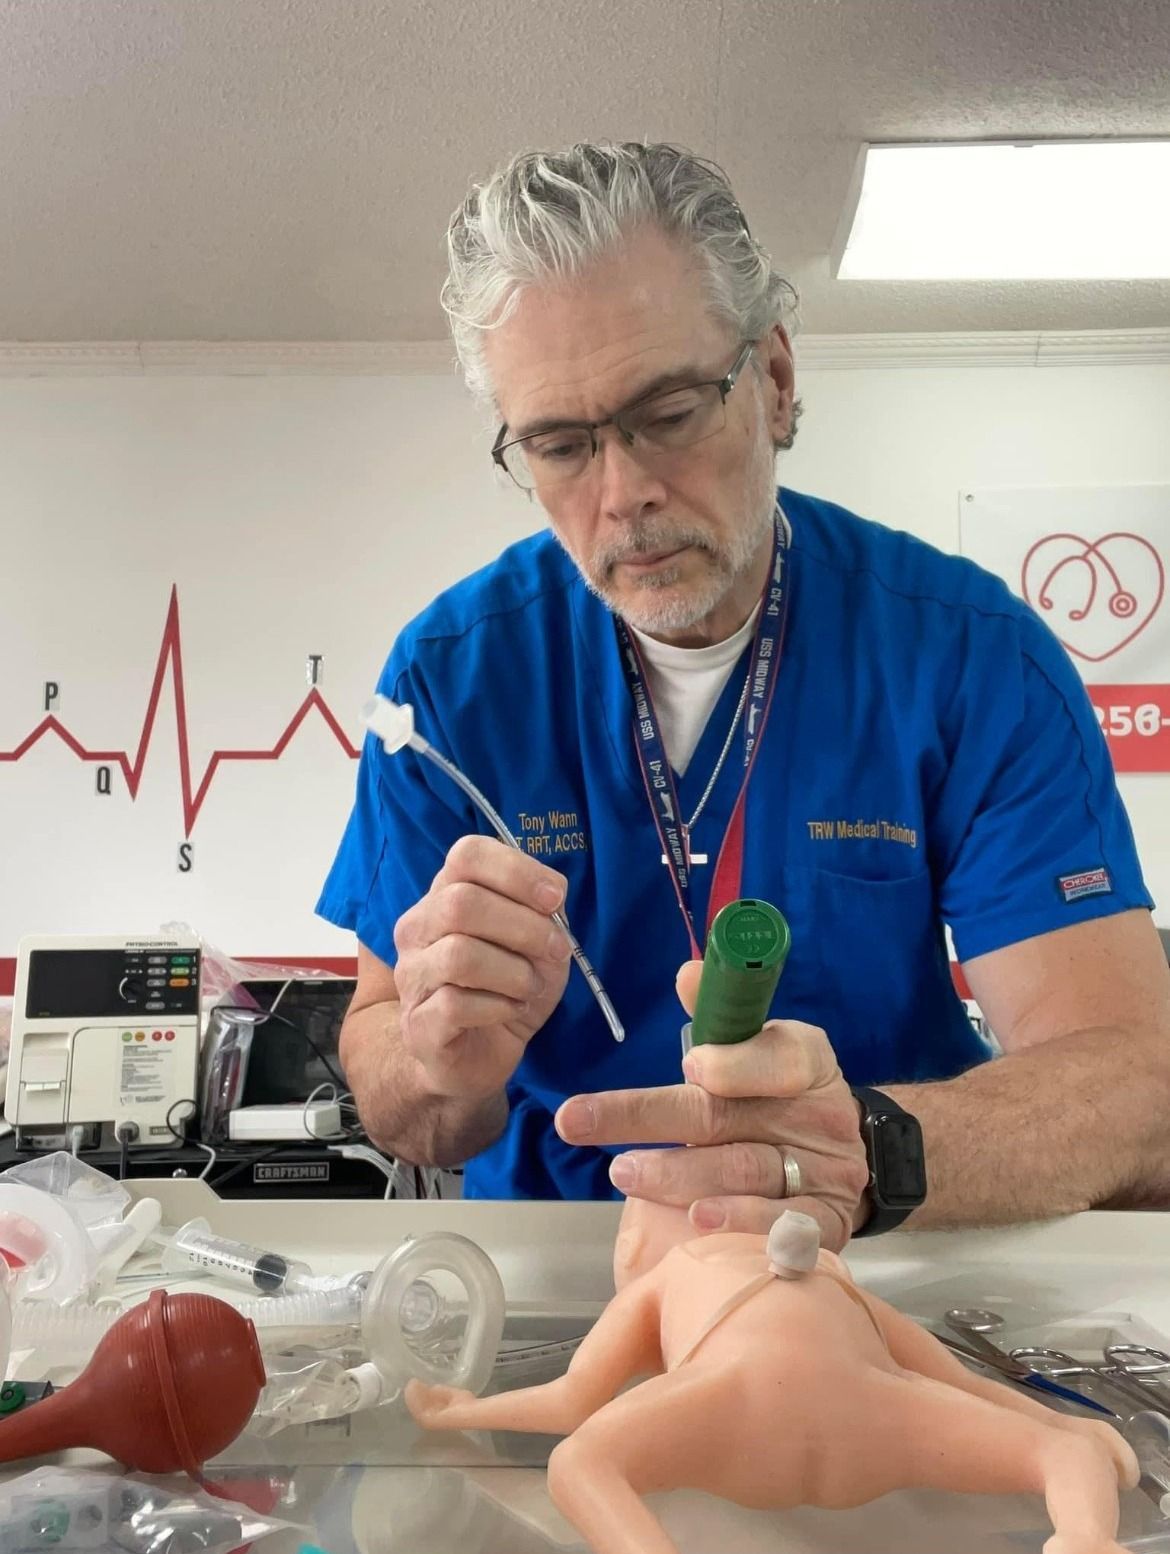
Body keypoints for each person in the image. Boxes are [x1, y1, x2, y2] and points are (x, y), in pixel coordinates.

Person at [317, 141, 1170, 1246]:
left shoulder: (970, 658)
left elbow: (1137, 1094)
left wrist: (867, 1152)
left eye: (668, 413)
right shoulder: (454, 680)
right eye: (563, 445)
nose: (623, 496)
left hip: (883, 1252)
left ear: (772, 378)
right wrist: (436, 1065)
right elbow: (398, 1094)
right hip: (568, 1268)